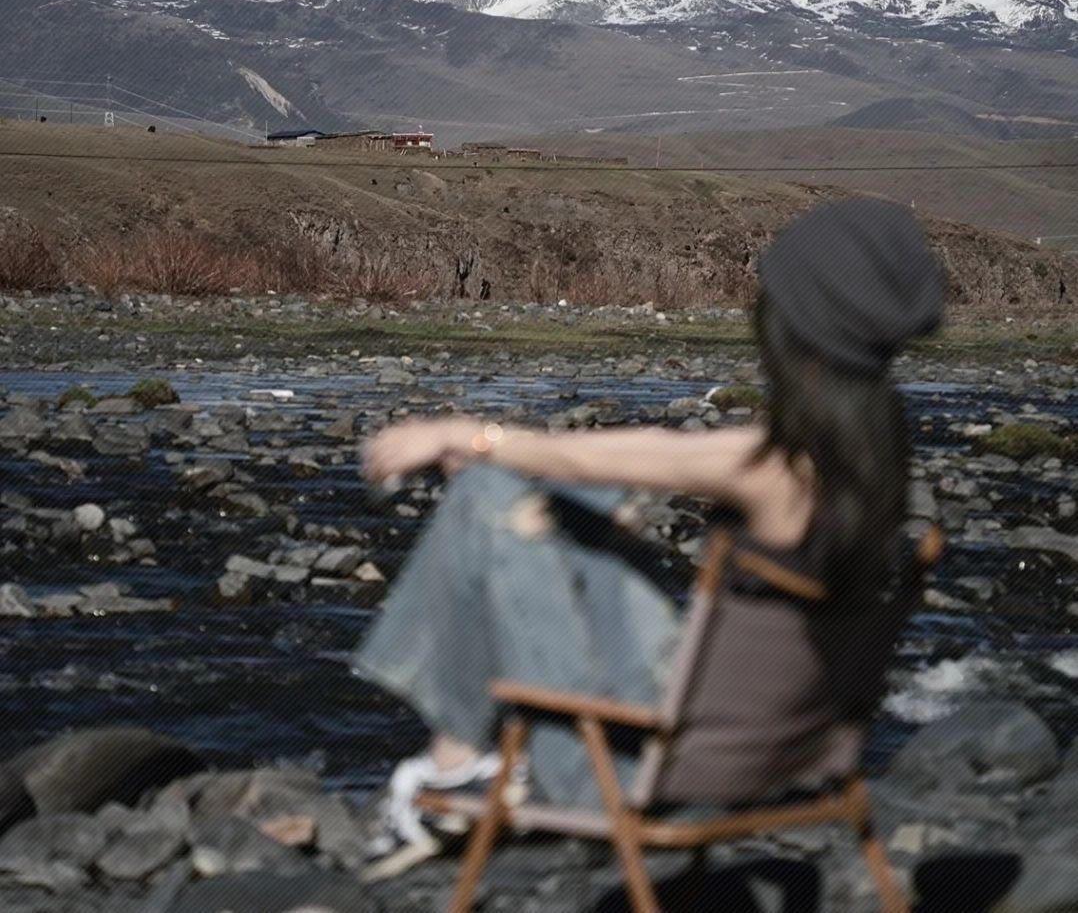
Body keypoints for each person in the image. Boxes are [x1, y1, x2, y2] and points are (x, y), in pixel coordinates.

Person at [353, 197, 945, 878]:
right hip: (788, 749)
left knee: (488, 495)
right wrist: (516, 458)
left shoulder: (776, 470)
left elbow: (657, 453)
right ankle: (456, 761)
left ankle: (455, 766)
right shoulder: (877, 454)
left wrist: (471, 436)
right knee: (567, 497)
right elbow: (639, 457)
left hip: (657, 766)